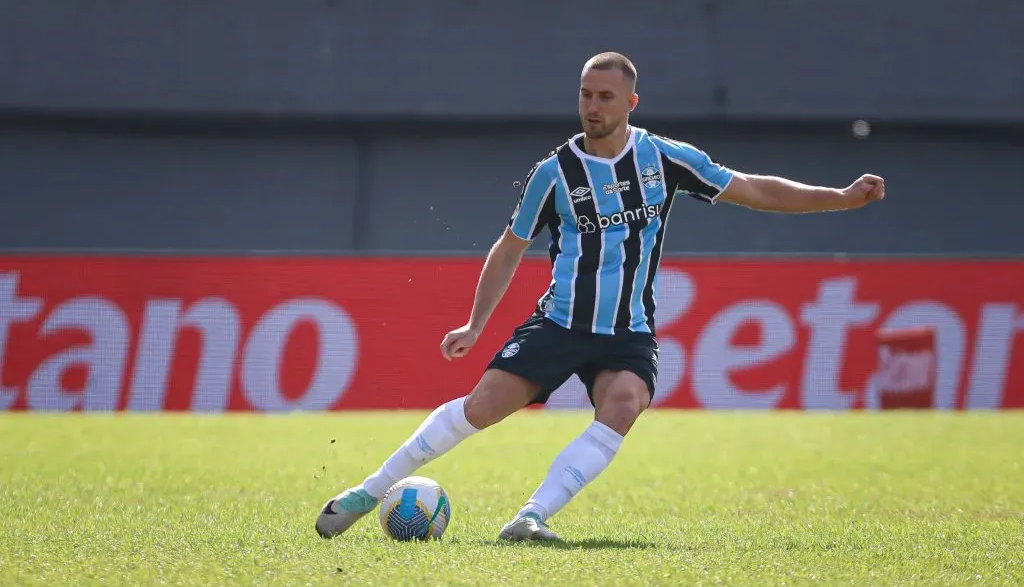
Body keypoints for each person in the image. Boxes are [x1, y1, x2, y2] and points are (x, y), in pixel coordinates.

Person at [315, 51, 885, 543]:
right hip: (561, 323)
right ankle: (368, 493)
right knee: (481, 409)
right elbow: (510, 248)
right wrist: (474, 324)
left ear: (632, 102)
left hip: (627, 330)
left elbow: (753, 189)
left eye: (606, 96)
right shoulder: (555, 172)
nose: (593, 106)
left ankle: (531, 517)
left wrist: (836, 197)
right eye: (586, 94)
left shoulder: (665, 158)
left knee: (626, 402)